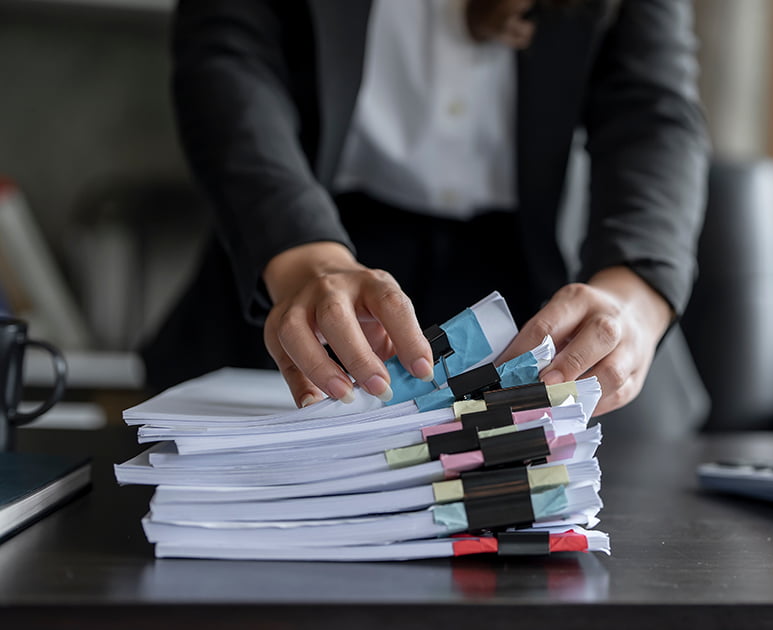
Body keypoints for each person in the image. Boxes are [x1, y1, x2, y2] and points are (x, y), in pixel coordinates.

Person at [146, 0, 710, 429]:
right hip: (311, 254)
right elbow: (227, 60)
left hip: (532, 278)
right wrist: (300, 255)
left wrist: (632, 300)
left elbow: (653, 113)